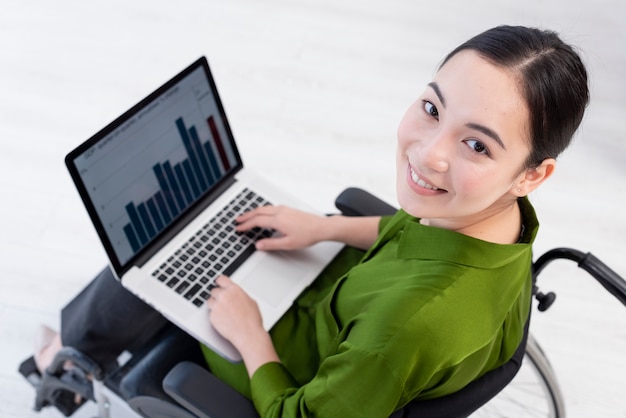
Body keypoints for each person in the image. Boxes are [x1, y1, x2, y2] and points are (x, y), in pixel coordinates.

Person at [33, 25, 589, 417]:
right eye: (432, 108)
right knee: (203, 231)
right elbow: (409, 235)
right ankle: (76, 342)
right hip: (336, 303)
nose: (427, 155)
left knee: (153, 250)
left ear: (532, 175)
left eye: (475, 144)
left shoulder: (408, 327)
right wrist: (323, 228)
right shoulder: (498, 219)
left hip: (292, 363)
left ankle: (64, 361)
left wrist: (251, 336)